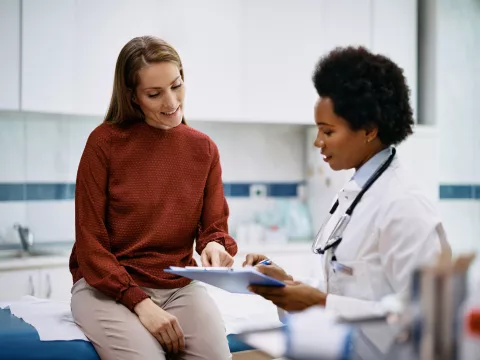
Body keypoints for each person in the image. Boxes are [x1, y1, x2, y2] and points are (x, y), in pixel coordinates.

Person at [244, 46, 451, 352]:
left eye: (328, 131)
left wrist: (323, 304)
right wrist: (285, 284)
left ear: (369, 130)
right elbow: (348, 292)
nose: (318, 142)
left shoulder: (404, 206)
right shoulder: (356, 194)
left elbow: (431, 319)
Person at [69, 36, 237, 360]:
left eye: (176, 85)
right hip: (106, 289)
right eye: (154, 94)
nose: (171, 101)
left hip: (179, 287)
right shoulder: (104, 144)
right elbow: (90, 247)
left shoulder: (204, 149)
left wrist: (215, 246)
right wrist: (139, 303)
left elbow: (214, 228)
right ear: (132, 97)